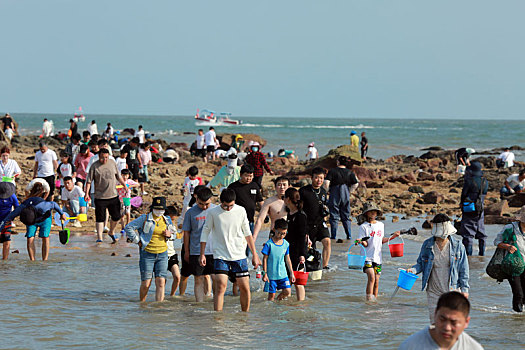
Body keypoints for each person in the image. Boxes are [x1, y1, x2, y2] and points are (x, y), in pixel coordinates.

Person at [199, 188, 261, 312]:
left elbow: (247, 233)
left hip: (239, 255)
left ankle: (245, 317)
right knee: (221, 286)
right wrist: (202, 254)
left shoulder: (240, 210)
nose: (228, 209)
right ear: (221, 202)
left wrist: (255, 254)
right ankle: (218, 318)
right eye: (225, 206)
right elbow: (205, 232)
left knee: (244, 287)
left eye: (231, 206)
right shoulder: (213, 212)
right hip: (220, 255)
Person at [408, 214, 470, 323]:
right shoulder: (427, 245)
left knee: (451, 322)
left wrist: (464, 290)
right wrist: (412, 270)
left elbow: (463, 269)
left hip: (452, 290)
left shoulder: (458, 246)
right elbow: (420, 264)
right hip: (433, 290)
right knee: (435, 322)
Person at [125, 197, 175, 302]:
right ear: (152, 208)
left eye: (161, 209)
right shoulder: (144, 218)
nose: (159, 211)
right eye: (157, 209)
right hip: (147, 254)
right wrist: (137, 240)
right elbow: (128, 227)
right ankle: (142, 304)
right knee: (146, 283)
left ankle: (159, 306)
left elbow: (174, 235)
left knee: (161, 281)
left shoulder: (167, 220)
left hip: (162, 254)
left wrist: (169, 235)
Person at [0, 182, 66, 261]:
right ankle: (34, 260)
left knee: (41, 237)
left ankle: (42, 260)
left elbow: (54, 204)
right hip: (31, 220)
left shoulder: (39, 205)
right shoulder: (26, 204)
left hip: (45, 219)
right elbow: (12, 215)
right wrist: (2, 225)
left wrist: (62, 214)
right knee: (35, 237)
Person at [399, 291, 483, 350]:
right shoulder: (410, 346)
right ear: (435, 314)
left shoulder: (473, 348)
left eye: (453, 322)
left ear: (466, 322)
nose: (447, 327)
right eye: (442, 319)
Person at [355, 202, 400, 301]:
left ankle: (375, 300)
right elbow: (366, 243)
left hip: (377, 258)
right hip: (367, 257)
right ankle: (369, 300)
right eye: (371, 212)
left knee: (377, 281)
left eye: (374, 211)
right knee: (371, 277)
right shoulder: (363, 227)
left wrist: (393, 237)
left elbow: (382, 240)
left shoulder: (381, 225)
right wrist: (361, 242)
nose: (373, 213)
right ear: (366, 213)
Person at [85, 148, 127, 243]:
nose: (105, 160)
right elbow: (88, 181)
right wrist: (86, 193)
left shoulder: (112, 163)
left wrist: (124, 185)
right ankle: (99, 238)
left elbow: (118, 176)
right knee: (100, 218)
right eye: (102, 158)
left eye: (106, 158)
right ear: (99, 156)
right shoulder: (94, 166)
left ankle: (111, 231)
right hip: (100, 197)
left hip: (113, 195)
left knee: (116, 216)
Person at [182, 187, 216, 302]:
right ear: (196, 199)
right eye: (201, 204)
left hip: (214, 250)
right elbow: (186, 233)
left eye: (207, 204)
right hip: (196, 250)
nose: (205, 207)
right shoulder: (190, 212)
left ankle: (215, 301)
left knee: (215, 278)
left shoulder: (217, 210)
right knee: (198, 279)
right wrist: (187, 251)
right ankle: (200, 304)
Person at [494, 206, 525, 312]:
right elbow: (497, 242)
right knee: (518, 293)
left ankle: (520, 320)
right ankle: (516, 317)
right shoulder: (510, 228)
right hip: (513, 266)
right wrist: (508, 247)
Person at [299, 167, 332, 269]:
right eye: (317, 178)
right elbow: (299, 209)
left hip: (320, 223)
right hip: (307, 225)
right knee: (309, 250)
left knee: (327, 241)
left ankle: (325, 266)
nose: (319, 181)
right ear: (311, 178)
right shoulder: (303, 191)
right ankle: (310, 268)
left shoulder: (323, 191)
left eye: (321, 178)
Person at [325, 156, 359, 240]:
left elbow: (326, 183)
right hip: (345, 193)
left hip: (334, 192)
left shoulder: (332, 171)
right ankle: (349, 235)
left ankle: (333, 236)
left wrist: (327, 191)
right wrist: (349, 191)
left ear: (338, 162)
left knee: (334, 215)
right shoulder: (350, 172)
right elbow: (355, 183)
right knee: (346, 215)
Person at [283, 188, 308, 301]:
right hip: (287, 251)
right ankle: (286, 303)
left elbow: (302, 237)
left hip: (298, 252)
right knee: (287, 280)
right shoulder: (288, 214)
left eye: (284, 197)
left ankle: (300, 305)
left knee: (298, 282)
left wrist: (302, 254)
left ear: (288, 199)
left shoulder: (300, 216)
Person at [261, 218, 295, 301]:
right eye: (279, 233)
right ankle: (271, 309)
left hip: (283, 274)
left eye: (284, 233)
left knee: (287, 291)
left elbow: (288, 259)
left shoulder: (286, 244)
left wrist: (291, 273)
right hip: (271, 275)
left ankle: (278, 302)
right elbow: (264, 259)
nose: (281, 235)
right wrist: (264, 273)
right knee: (271, 295)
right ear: (274, 230)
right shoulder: (269, 244)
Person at [460, 161, 488, 256]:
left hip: (469, 207)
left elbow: (464, 194)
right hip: (481, 208)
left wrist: (461, 204)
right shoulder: (485, 181)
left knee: (468, 233)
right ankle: (482, 255)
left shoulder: (469, 181)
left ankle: (468, 257)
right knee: (481, 231)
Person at [228, 164, 263, 234]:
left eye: (251, 176)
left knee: (249, 243)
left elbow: (260, 201)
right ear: (240, 175)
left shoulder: (254, 186)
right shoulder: (233, 187)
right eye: (246, 176)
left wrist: (265, 214)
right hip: (236, 221)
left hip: (250, 220)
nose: (249, 178)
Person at [253, 176, 290, 242]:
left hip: (291, 234)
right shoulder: (269, 202)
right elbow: (260, 220)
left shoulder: (294, 201)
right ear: (275, 187)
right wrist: (254, 237)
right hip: (275, 234)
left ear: (289, 186)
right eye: (279, 185)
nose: (282, 187)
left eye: (284, 185)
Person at [165, 205, 182, 297]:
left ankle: (172, 295)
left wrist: (185, 229)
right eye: (171, 219)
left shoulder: (172, 227)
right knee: (162, 279)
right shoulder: (159, 225)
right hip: (161, 255)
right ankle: (161, 296)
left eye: (173, 220)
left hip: (172, 255)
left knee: (177, 276)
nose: (172, 222)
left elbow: (177, 236)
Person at [0, 182, 19, 259]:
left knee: (7, 239)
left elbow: (17, 207)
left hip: (7, 220)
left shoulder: (12, 196)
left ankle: (5, 260)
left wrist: (12, 216)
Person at [117, 169, 139, 233]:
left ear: (128, 175)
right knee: (122, 214)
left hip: (127, 198)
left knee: (128, 212)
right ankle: (123, 227)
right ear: (121, 175)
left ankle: (128, 224)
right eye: (123, 175)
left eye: (126, 175)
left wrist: (130, 186)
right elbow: (115, 187)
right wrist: (119, 186)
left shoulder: (129, 181)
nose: (125, 177)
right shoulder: (119, 181)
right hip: (120, 199)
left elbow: (137, 184)